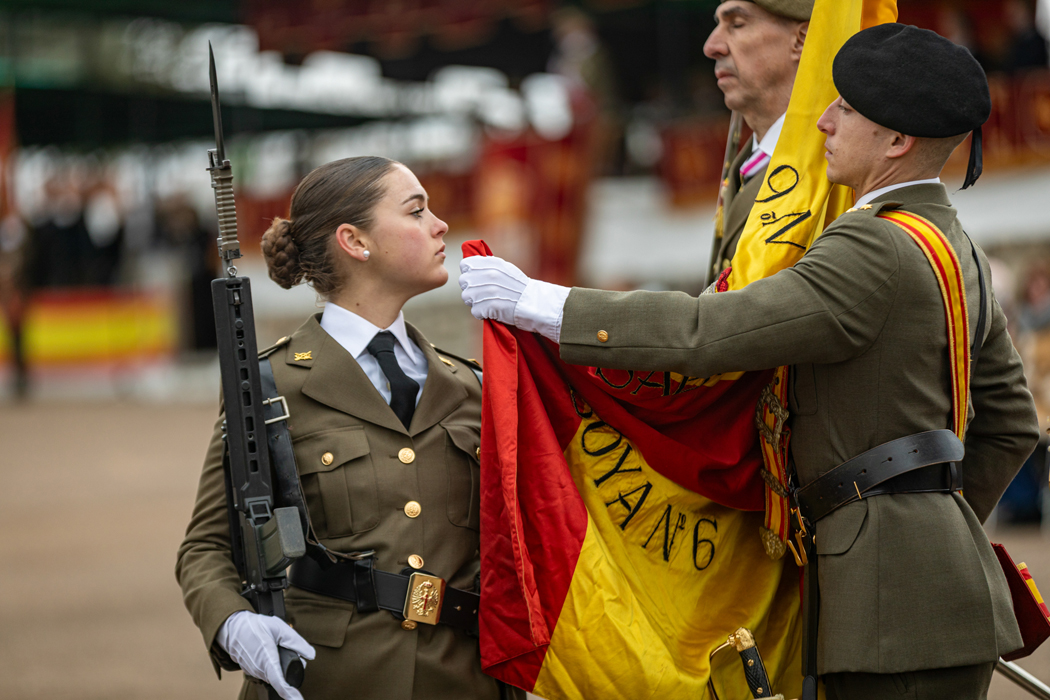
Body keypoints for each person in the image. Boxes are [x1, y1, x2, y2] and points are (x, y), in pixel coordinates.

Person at [460, 24, 1040, 700]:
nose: (822, 120)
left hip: (886, 606)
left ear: (895, 141)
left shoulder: (873, 245)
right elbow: (1012, 423)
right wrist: (932, 523)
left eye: (845, 109)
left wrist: (544, 303)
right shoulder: (955, 245)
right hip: (938, 590)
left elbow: (715, 333)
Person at [176, 156, 521, 700]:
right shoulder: (270, 384)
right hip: (333, 678)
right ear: (355, 241)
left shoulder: (471, 384)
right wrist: (231, 624)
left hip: (464, 677)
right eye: (416, 211)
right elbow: (206, 547)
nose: (440, 225)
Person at [704, 0, 812, 285]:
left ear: (800, 40)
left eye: (737, 24)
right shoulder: (749, 164)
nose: (712, 46)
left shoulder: (836, 167)